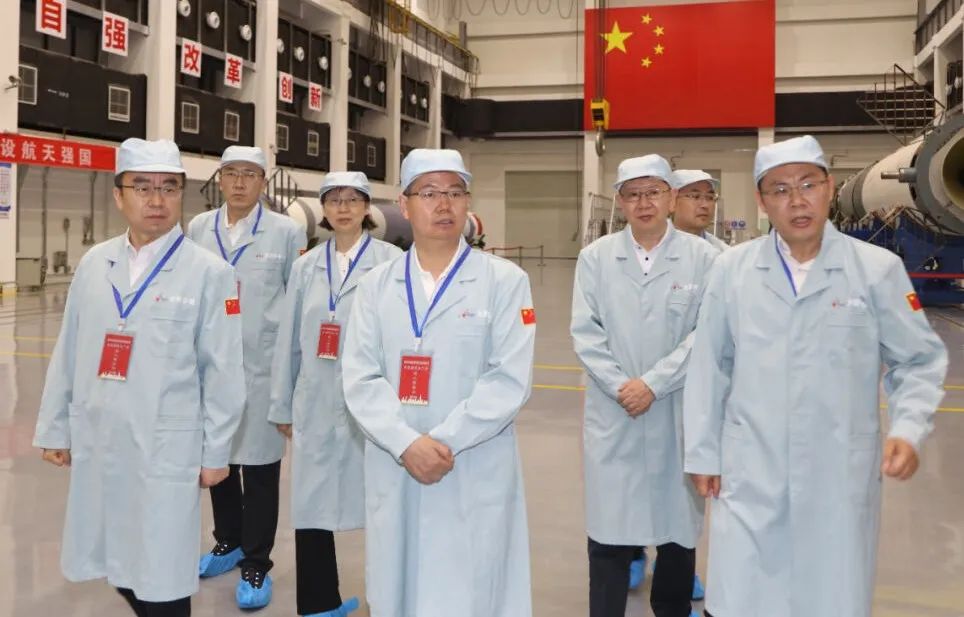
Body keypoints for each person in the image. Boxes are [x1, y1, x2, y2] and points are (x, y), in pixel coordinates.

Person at [683, 135, 948, 617]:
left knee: (830, 596)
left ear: (830, 188)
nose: (797, 200)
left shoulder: (877, 270)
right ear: (762, 201)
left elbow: (918, 360)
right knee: (742, 596)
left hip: (837, 471)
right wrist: (702, 451)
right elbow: (709, 365)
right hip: (750, 469)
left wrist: (909, 428)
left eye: (808, 184)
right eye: (780, 189)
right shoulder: (732, 271)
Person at [32, 138, 245, 617]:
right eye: (143, 187)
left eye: (169, 187)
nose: (156, 199)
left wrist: (216, 453)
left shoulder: (209, 273)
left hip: (165, 446)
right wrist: (54, 428)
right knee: (117, 559)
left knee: (162, 574)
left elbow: (224, 371)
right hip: (102, 437)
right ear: (119, 195)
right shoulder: (96, 263)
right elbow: (69, 348)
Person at [342, 149, 536, 617]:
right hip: (398, 462)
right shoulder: (375, 286)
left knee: (472, 588)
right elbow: (360, 376)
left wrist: (442, 443)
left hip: (471, 462)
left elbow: (509, 379)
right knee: (399, 586)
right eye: (428, 193)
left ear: (468, 203)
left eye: (455, 192)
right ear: (404, 206)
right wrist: (407, 443)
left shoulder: (505, 281)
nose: (444, 204)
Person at [571, 154, 718, 617]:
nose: (644, 202)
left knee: (678, 532)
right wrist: (622, 386)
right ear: (620, 202)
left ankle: (672, 609)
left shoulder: (704, 259)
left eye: (653, 191)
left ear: (671, 197)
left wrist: (653, 384)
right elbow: (585, 332)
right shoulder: (596, 258)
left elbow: (709, 334)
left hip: (677, 411)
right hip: (615, 411)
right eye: (632, 194)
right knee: (609, 532)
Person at [269, 172, 401, 617]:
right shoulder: (305, 267)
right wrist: (282, 403)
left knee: (383, 501)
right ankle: (319, 604)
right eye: (334, 200)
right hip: (315, 399)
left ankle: (390, 598)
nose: (343, 208)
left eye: (352, 200)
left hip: (374, 401)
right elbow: (288, 339)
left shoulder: (391, 262)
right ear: (324, 209)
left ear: (367, 207)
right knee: (311, 505)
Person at [186, 146, 306, 609]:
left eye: (250, 174)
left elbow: (295, 303)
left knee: (259, 469)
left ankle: (256, 561)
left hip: (262, 368)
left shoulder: (285, 232)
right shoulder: (199, 228)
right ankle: (227, 542)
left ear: (263, 182)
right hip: (212, 363)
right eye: (231, 173)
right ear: (219, 179)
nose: (239, 182)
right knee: (218, 459)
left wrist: (291, 375)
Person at [671, 169, 729, 252]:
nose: (705, 205)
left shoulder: (722, 252)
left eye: (710, 197)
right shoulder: (656, 247)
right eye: (695, 196)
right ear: (672, 201)